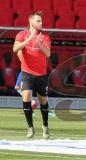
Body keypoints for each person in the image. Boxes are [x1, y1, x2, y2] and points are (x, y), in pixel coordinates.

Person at [13, 11, 51, 139]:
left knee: (43, 101)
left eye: (41, 21)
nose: (41, 23)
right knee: (26, 98)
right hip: (27, 73)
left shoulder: (45, 37)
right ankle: (30, 127)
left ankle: (45, 125)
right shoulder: (21, 34)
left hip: (41, 75)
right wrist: (28, 40)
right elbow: (15, 49)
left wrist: (39, 44)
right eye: (38, 21)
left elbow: (48, 54)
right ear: (31, 22)